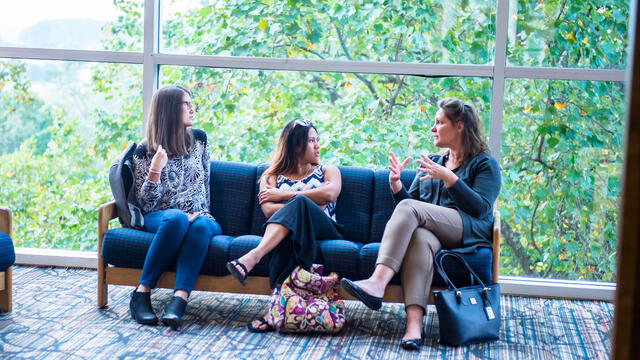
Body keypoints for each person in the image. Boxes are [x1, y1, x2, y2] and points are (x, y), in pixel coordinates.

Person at [340, 98, 501, 350]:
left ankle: (377, 282)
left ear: (459, 126)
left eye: (439, 122)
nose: (433, 128)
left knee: (413, 216)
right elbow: (412, 206)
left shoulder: (484, 163)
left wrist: (448, 177)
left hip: (467, 230)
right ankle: (414, 326)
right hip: (434, 232)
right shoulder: (434, 161)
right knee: (420, 239)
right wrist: (396, 187)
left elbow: (481, 208)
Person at [225, 119, 343, 332]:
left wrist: (284, 195)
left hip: (326, 230)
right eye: (311, 141)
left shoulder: (328, 170)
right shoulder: (270, 176)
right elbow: (268, 210)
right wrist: (309, 200)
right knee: (288, 233)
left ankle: (254, 256)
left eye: (318, 140)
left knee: (298, 204)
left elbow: (329, 193)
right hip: (295, 232)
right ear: (296, 145)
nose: (318, 146)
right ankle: (278, 308)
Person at [129, 85, 222, 331]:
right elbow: (146, 203)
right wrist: (155, 169)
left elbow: (205, 184)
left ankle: (178, 301)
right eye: (186, 104)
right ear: (170, 109)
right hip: (161, 216)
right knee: (177, 219)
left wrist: (199, 211)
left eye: (192, 104)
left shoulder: (199, 139)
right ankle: (142, 293)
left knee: (201, 225)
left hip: (200, 214)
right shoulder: (145, 151)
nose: (193, 109)